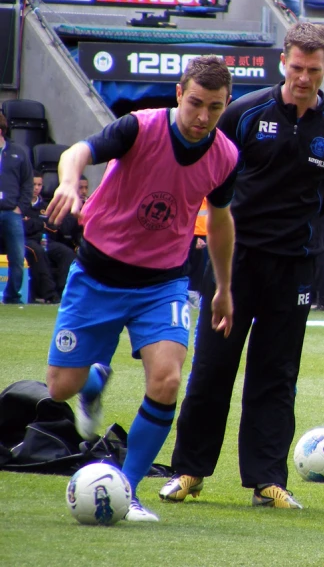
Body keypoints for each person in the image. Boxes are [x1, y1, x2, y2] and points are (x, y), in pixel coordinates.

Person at [161, 22, 324, 509]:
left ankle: (267, 481)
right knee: (212, 369)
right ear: (282, 63)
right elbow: (211, 175)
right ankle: (190, 471)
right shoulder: (244, 114)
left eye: (314, 70)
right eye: (296, 67)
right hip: (235, 263)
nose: (304, 78)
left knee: (276, 375)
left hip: (296, 266)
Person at [43, 55, 238, 522]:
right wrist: (70, 183)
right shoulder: (139, 127)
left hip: (163, 282)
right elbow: (78, 152)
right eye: (195, 103)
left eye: (214, 107)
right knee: (59, 388)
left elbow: (222, 220)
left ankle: (127, 491)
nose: (202, 117)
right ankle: (92, 380)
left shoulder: (226, 155)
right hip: (97, 273)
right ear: (178, 94)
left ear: (226, 104)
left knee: (168, 379)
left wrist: (224, 287)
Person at [22, 171, 75, 303]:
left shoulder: (46, 206)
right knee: (36, 251)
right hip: (25, 240)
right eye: (34, 184)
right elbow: (23, 227)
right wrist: (42, 224)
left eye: (39, 184)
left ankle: (64, 293)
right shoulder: (20, 204)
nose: (36, 188)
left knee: (67, 253)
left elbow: (54, 227)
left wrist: (35, 224)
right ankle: (50, 295)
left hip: (45, 239)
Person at [0, 112, 34, 305]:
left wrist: (20, 208)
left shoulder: (18, 152)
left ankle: (12, 296)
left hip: (11, 211)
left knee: (17, 258)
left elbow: (27, 183)